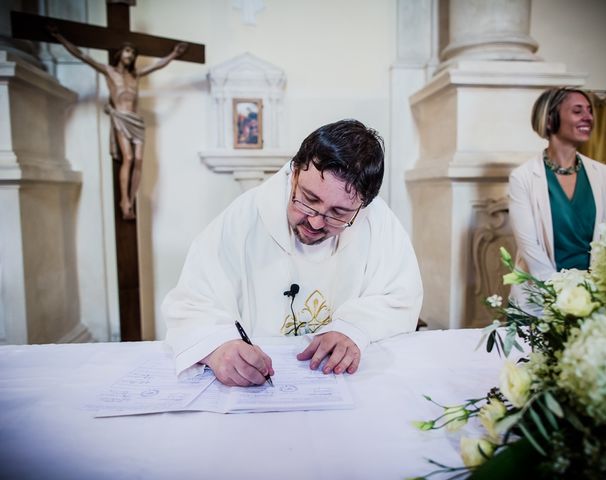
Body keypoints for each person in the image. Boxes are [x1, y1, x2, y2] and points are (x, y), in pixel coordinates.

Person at [163, 119, 423, 386]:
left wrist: (355, 328)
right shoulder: (243, 217)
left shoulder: (378, 221)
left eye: (339, 213)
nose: (316, 222)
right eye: (309, 200)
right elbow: (192, 302)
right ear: (295, 173)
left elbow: (402, 296)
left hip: (340, 383)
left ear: (363, 205)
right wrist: (217, 346)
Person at [48, 27, 187, 220]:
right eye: (127, 51)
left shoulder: (135, 75)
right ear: (120, 53)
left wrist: (174, 54)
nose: (130, 55)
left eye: (133, 53)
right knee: (128, 158)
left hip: (136, 120)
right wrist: (59, 36)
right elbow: (81, 55)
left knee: (139, 160)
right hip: (121, 117)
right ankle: (124, 201)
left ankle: (132, 197)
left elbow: (157, 65)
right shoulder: (109, 71)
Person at [509, 87, 606, 307]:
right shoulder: (523, 177)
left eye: (589, 111)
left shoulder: (601, 173)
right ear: (550, 120)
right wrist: (562, 297)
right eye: (577, 111)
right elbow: (530, 247)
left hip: (594, 297)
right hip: (541, 297)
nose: (588, 117)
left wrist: (591, 293)